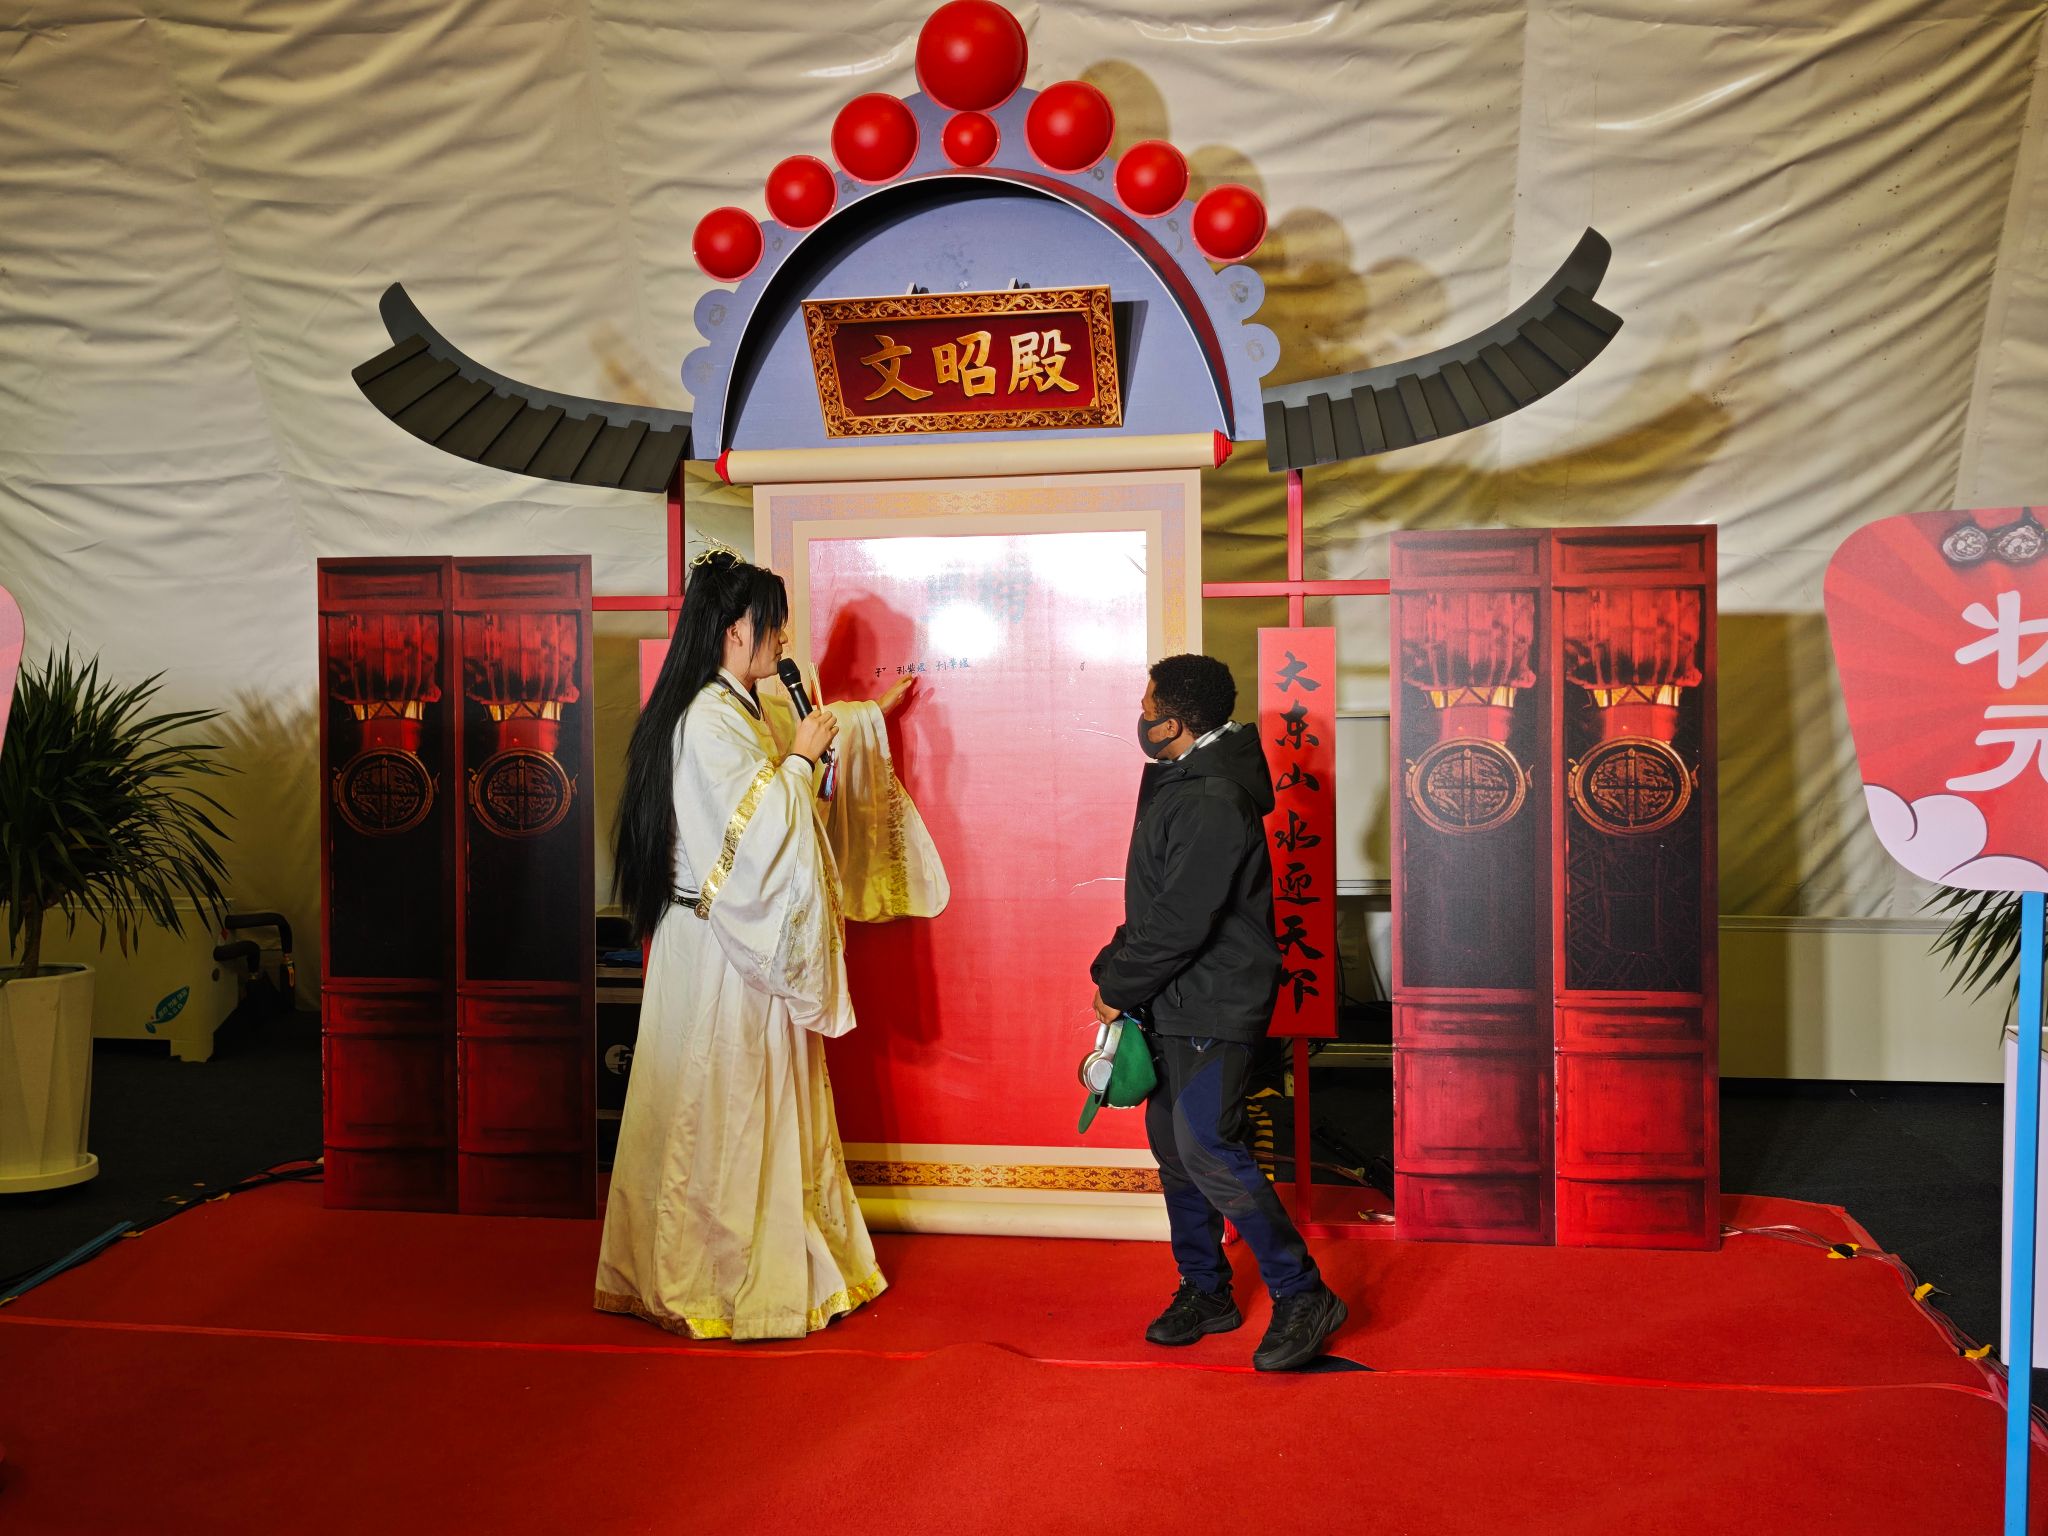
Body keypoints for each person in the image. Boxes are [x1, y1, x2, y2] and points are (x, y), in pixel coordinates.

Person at [596, 548, 946, 1340]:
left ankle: (763, 1255)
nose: (785, 640)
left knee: (746, 1094)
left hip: (729, 940)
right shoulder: (708, 719)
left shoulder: (734, 707)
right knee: (721, 1101)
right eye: (774, 627)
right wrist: (799, 763)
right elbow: (749, 837)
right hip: (722, 945)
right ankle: (715, 1276)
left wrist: (860, 721)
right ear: (733, 632)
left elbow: (787, 765)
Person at [1090, 653, 1348, 1372]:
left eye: (1148, 709)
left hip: (1214, 1001)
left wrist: (1118, 982)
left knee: (1205, 1144)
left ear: (1174, 723)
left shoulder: (1210, 798)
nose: (1141, 718)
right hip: (1174, 999)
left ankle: (1304, 1293)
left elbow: (1181, 920)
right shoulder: (1186, 781)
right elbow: (1155, 902)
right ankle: (1206, 1290)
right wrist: (1116, 969)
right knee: (1176, 1151)